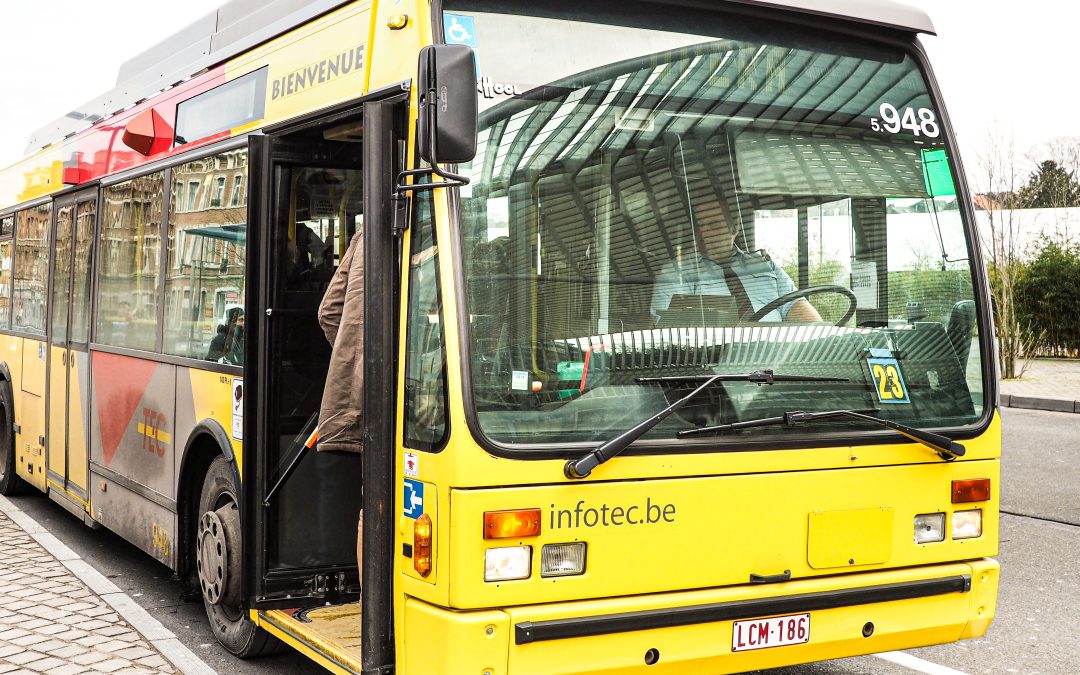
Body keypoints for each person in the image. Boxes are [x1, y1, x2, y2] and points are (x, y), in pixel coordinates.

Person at [650, 198, 822, 323]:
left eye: (713, 225)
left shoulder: (764, 265)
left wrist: (821, 340)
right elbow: (674, 333)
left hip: (777, 359)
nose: (704, 234)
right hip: (719, 365)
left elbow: (796, 305)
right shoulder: (677, 273)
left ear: (735, 227)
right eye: (699, 226)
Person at [316, 230, 364, 581]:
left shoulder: (363, 235)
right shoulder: (437, 227)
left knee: (371, 501)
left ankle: (369, 603)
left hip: (364, 398)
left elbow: (329, 312)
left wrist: (356, 362)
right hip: (416, 400)